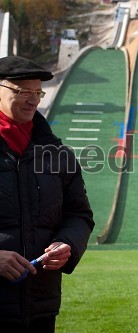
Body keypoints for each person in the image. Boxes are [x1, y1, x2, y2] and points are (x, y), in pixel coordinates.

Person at [0, 56, 95, 332]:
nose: (33, 100)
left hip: (41, 305)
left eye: (37, 93)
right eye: (23, 92)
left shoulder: (58, 154)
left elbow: (79, 214)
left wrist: (68, 244)